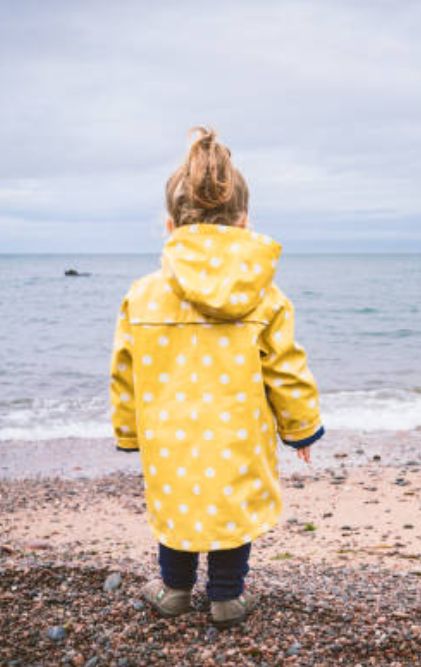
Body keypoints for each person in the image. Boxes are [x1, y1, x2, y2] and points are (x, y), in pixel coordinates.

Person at [109, 126, 324, 628]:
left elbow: (125, 371)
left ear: (170, 226)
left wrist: (128, 431)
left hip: (169, 435)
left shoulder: (142, 295)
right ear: (244, 222)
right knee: (232, 506)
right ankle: (227, 597)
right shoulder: (266, 297)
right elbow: (286, 369)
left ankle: (174, 591)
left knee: (176, 502)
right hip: (237, 436)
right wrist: (300, 429)